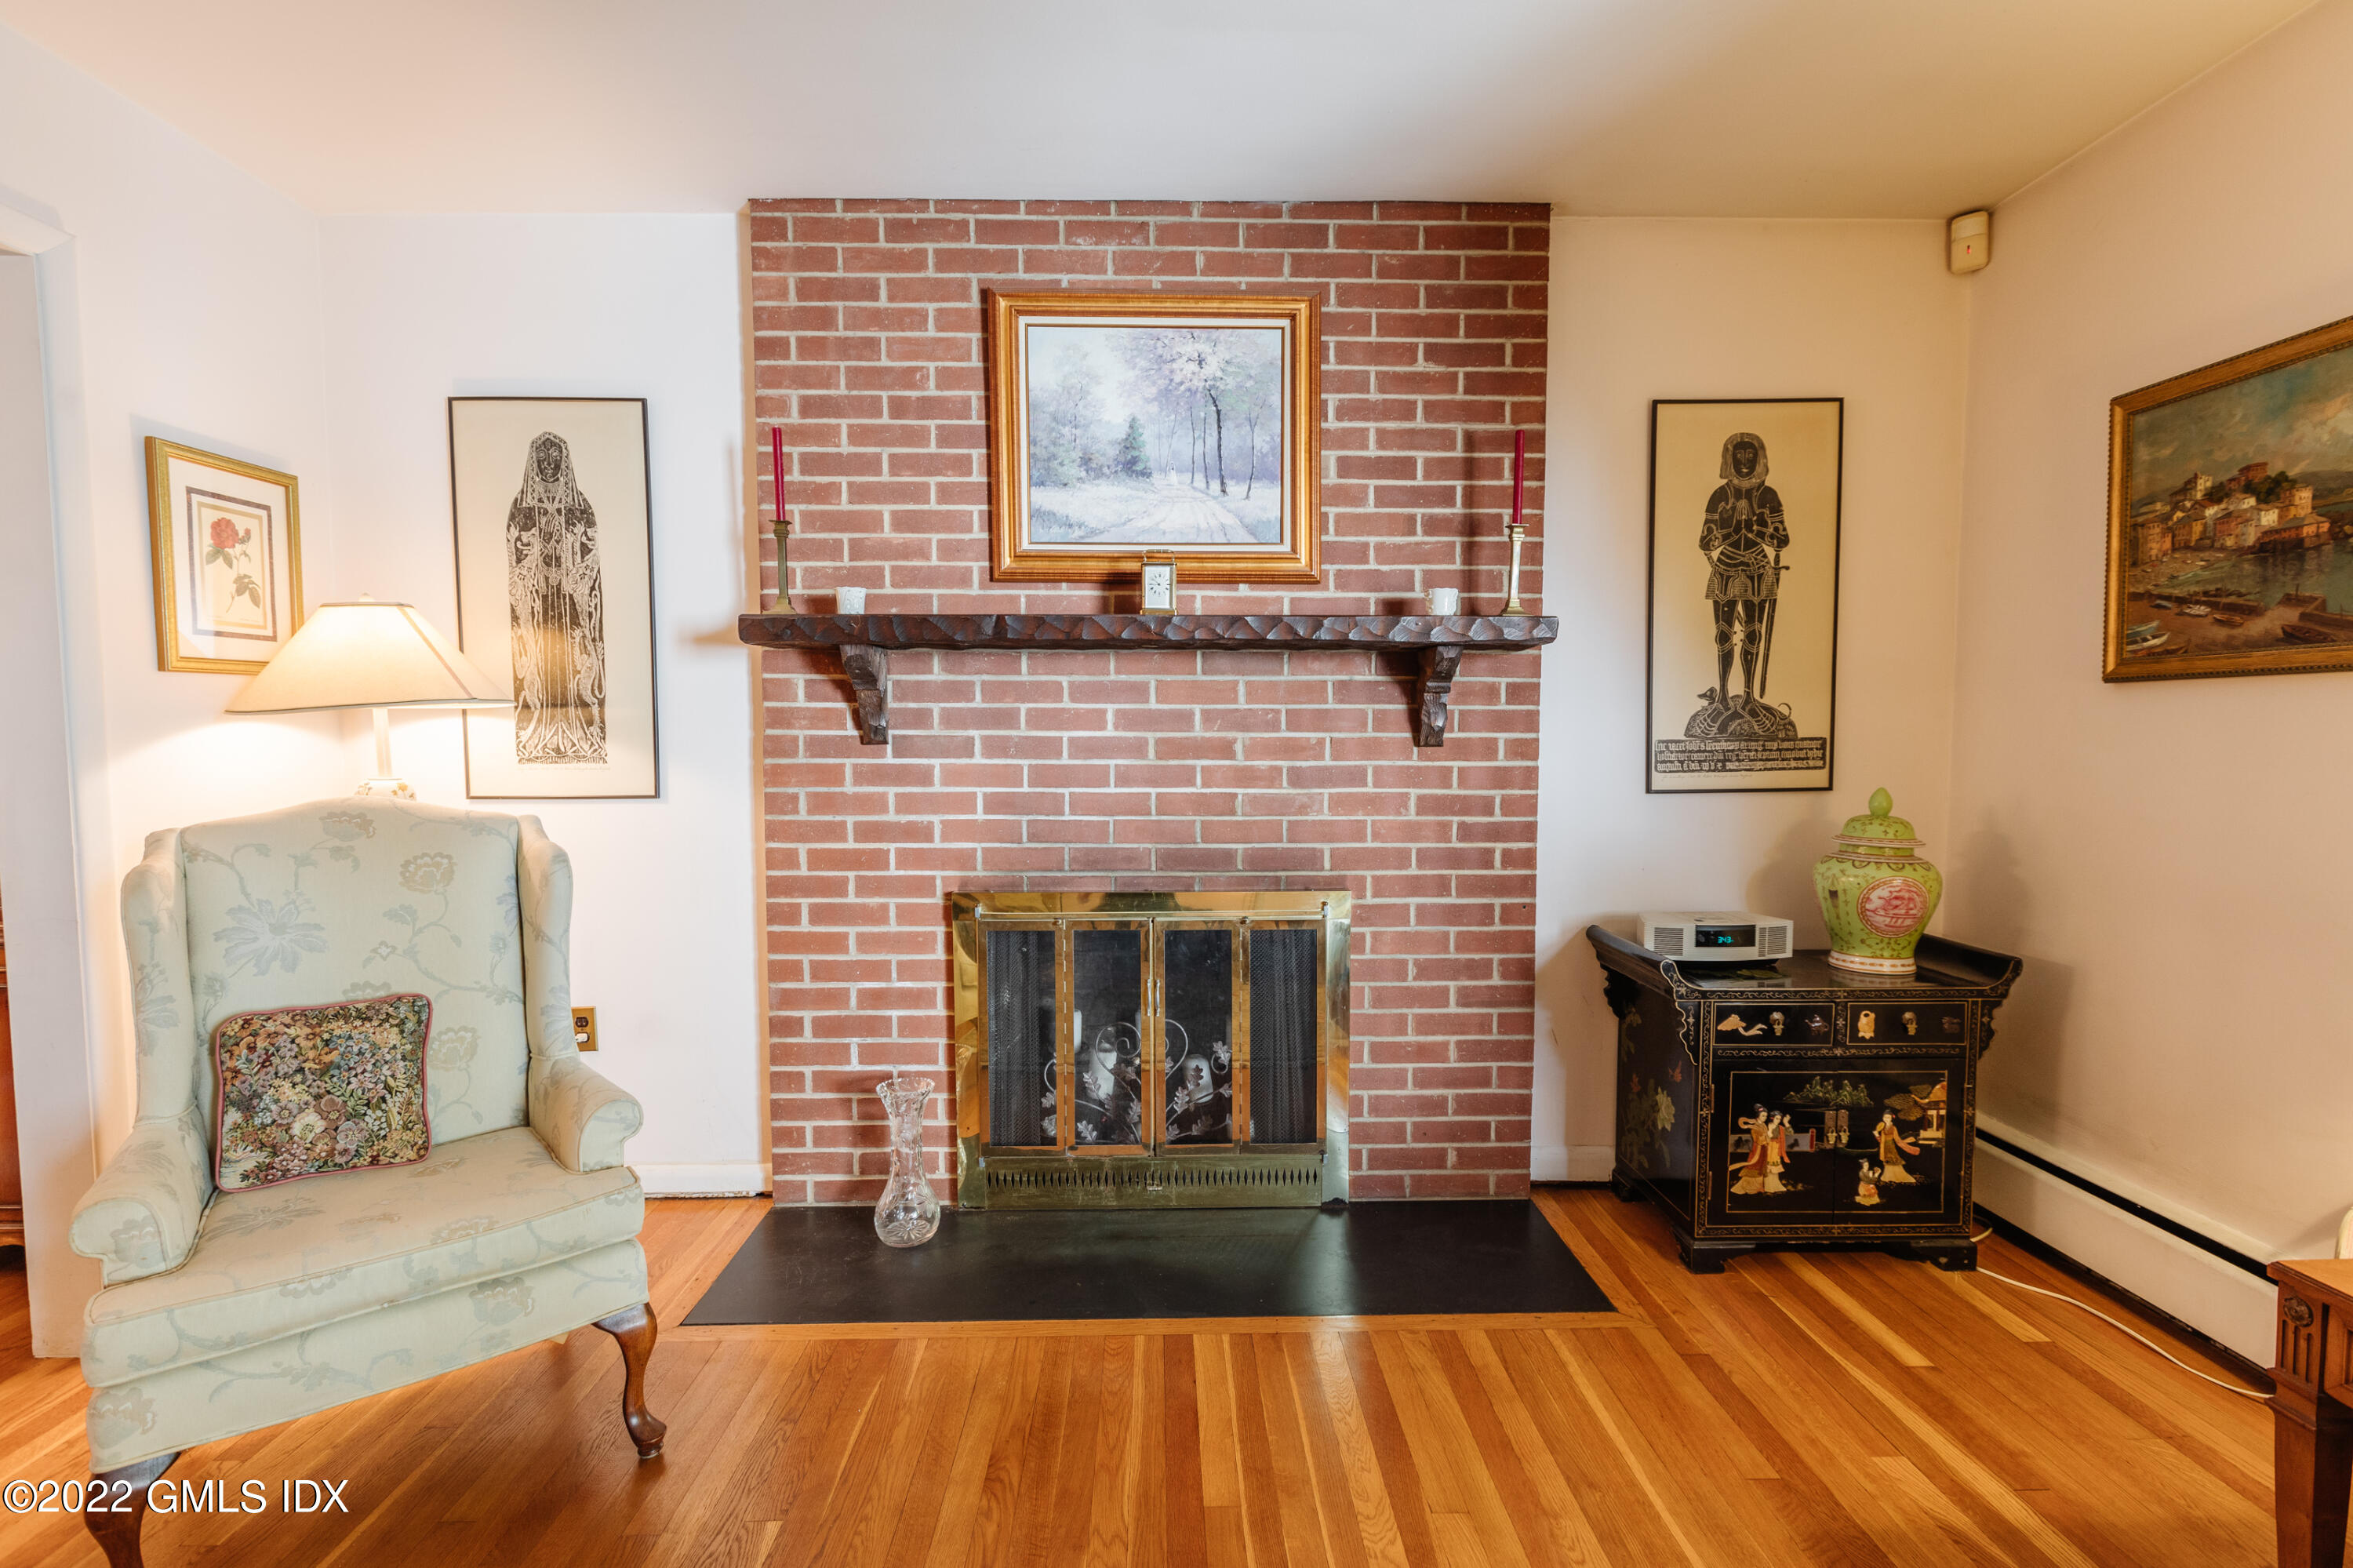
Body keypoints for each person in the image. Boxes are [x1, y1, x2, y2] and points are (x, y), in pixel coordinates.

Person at [506, 431, 609, 764]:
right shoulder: (520, 508)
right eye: (542, 458)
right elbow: (516, 560)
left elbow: (589, 563)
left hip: (570, 605)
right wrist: (532, 560)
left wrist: (572, 566)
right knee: (539, 665)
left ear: (565, 462)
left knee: (576, 665)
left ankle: (580, 730)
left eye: (555, 458)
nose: (549, 466)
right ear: (533, 462)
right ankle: (539, 730)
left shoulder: (582, 508)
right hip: (538, 605)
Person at [1697, 431, 1788, 715]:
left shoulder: (1769, 495)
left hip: (1758, 568)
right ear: (1730, 459)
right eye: (1739, 456)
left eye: (1750, 456)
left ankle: (1749, 696)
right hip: (1726, 566)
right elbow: (1704, 541)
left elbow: (1782, 540)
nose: (1745, 462)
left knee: (1753, 634)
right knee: (1723, 634)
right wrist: (1732, 532)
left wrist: (1756, 531)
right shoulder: (1720, 495)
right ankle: (1723, 696)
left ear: (1759, 458)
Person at [1731, 1105, 1771, 1195]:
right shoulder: (1754, 1127)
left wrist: (1767, 1139)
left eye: (1766, 1116)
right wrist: (1764, 1139)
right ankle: (1746, 1187)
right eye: (1763, 1116)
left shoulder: (1764, 1126)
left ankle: (1759, 1187)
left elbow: (1767, 1138)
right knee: (1754, 1166)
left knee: (1761, 1167)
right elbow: (1758, 1140)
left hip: (1764, 1149)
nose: (1765, 1118)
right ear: (1758, 1116)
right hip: (1758, 1149)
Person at [1875, 1111, 1921, 1184]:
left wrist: (1904, 1143)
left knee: (1894, 1159)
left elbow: (1897, 1139)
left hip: (1891, 1146)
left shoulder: (1893, 1128)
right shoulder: (1883, 1128)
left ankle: (1898, 1176)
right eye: (1885, 1117)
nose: (1887, 1119)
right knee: (1887, 1161)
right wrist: (1877, 1135)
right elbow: (1882, 1141)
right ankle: (1888, 1176)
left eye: (1888, 1117)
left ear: (1891, 1119)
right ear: (1883, 1118)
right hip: (1885, 1147)